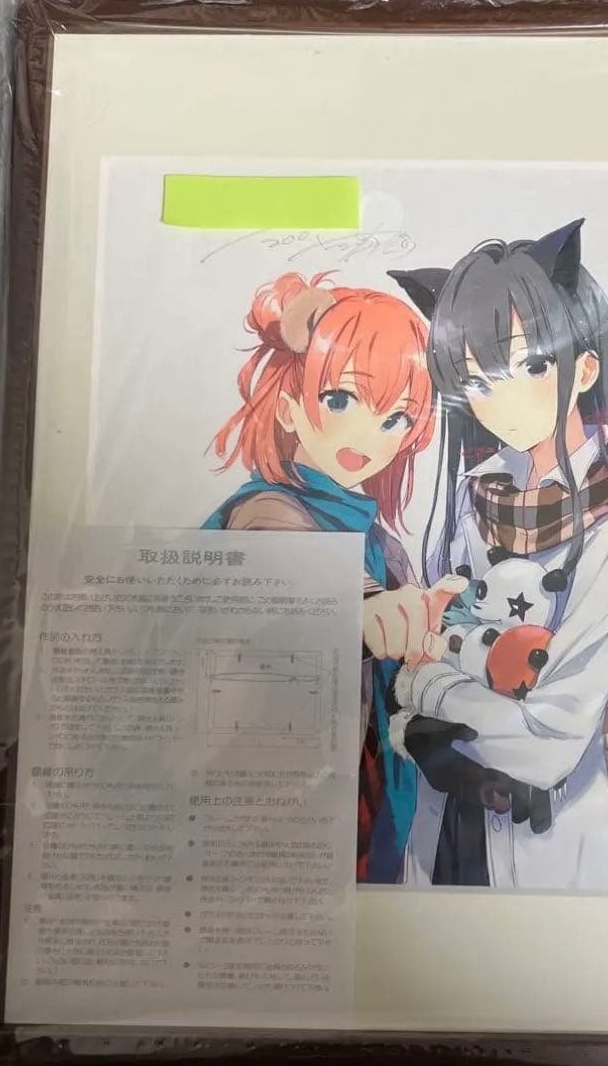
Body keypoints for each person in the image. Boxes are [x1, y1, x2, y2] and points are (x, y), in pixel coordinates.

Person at [388, 219, 608, 890]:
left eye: (526, 366)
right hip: (443, 828)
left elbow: (545, 742)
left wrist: (424, 694)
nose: (497, 402)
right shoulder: (473, 493)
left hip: (548, 842)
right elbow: (433, 638)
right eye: (475, 382)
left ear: (583, 367)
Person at [202, 271, 465, 883]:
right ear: (289, 407)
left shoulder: (383, 544)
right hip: (275, 811)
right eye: (341, 400)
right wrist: (368, 608)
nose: (365, 435)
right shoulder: (264, 511)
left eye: (394, 418)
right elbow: (291, 570)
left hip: (368, 808)